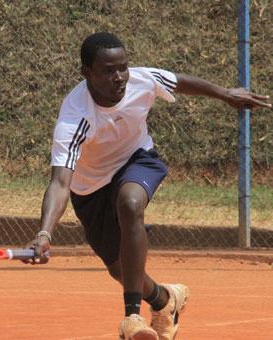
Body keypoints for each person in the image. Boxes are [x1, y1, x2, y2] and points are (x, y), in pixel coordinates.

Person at [24, 32, 271, 340]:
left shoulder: (141, 80)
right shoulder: (75, 118)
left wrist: (224, 93)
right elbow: (61, 182)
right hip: (90, 188)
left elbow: (178, 81)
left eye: (123, 67)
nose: (119, 77)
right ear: (86, 72)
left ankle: (132, 318)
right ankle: (165, 301)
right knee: (120, 269)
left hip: (138, 159)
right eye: (108, 70)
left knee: (130, 203)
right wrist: (45, 232)